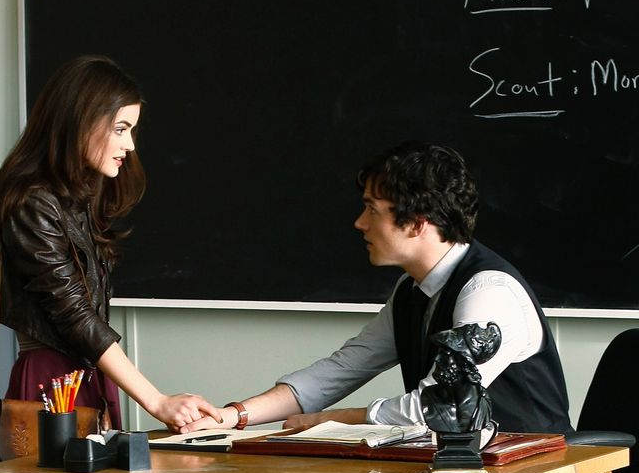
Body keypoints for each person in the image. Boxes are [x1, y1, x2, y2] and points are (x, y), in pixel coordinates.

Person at [184, 141, 572, 439]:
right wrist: (232, 416)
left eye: (372, 209)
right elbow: (342, 370)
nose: (358, 223)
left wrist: (333, 422)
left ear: (417, 224)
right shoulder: (412, 289)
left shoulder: (488, 292)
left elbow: (436, 408)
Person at [0, 55, 220, 431]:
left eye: (131, 131)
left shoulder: (76, 199)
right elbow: (74, 314)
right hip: (53, 383)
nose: (129, 145)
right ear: (81, 122)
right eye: (121, 129)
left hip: (90, 373)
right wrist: (157, 400)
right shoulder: (31, 202)